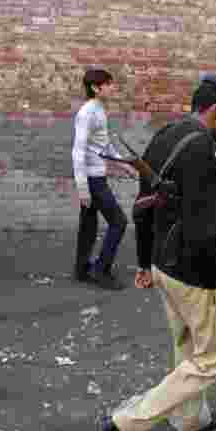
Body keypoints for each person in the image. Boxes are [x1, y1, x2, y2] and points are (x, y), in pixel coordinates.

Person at [101, 74, 216, 431]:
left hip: (164, 266)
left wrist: (145, 262)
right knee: (209, 360)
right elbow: (205, 235)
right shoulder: (202, 153)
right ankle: (125, 425)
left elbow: (143, 205)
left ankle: (190, 419)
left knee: (186, 348)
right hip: (194, 275)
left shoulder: (165, 137)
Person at [72, 68, 130, 291]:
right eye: (108, 84)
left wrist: (124, 165)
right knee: (119, 222)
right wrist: (83, 188)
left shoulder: (99, 110)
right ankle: (100, 269)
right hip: (92, 180)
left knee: (88, 224)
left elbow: (103, 145)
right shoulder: (87, 112)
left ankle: (81, 269)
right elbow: (78, 151)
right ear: (96, 88)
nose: (112, 88)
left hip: (96, 176)